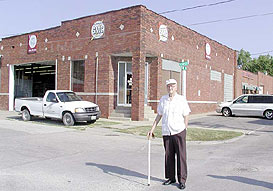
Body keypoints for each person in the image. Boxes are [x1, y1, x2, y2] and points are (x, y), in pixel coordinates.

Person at [147, 79, 191, 190]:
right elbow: (159, 115)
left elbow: (186, 114)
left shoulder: (181, 99)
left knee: (181, 156)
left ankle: (182, 180)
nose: (170, 88)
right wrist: (152, 129)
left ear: (176, 87)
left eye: (172, 86)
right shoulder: (163, 99)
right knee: (168, 156)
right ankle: (171, 178)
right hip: (167, 132)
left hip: (178, 131)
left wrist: (185, 128)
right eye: (168, 86)